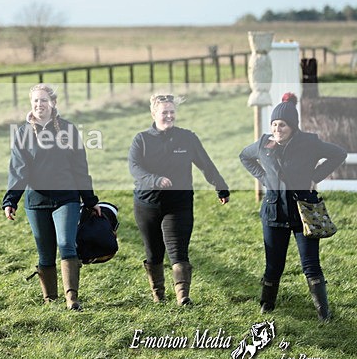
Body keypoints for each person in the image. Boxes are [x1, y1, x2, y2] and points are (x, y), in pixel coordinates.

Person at [239, 92, 346, 321]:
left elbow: (339, 154)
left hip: (303, 212)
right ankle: (266, 308)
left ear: (293, 126)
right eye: (274, 124)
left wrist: (315, 176)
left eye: (283, 125)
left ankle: (324, 315)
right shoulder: (263, 144)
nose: (277, 129)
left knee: (311, 265)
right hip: (274, 212)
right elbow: (244, 157)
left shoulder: (309, 142)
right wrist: (264, 178)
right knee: (273, 266)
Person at [2, 84, 101, 311]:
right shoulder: (22, 133)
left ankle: (71, 299)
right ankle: (50, 299)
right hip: (36, 202)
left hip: (67, 198)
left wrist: (90, 200)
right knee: (45, 252)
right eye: (36, 101)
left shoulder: (68, 129)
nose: (39, 105)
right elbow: (18, 170)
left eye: (44, 100)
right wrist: (11, 200)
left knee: (66, 243)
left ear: (53, 103)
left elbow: (80, 168)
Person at [128, 93, 230, 306]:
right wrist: (155, 179)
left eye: (172, 112)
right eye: (164, 112)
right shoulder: (142, 139)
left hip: (179, 204)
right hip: (147, 204)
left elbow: (206, 164)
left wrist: (221, 187)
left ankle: (183, 296)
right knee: (154, 253)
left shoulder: (187, 138)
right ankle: (159, 295)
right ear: (154, 113)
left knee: (178, 251)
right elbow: (135, 168)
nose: (169, 116)